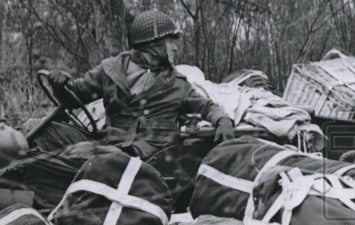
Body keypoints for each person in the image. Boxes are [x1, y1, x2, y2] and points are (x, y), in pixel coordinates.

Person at [46, 9, 235, 159]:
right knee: (41, 130)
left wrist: (222, 119)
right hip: (108, 143)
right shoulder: (112, 69)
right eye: (170, 42)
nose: (175, 48)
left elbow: (206, 107)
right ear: (154, 44)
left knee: (90, 155)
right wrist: (61, 84)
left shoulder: (177, 85)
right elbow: (76, 96)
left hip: (147, 155)